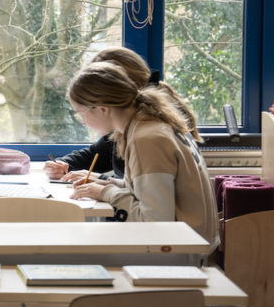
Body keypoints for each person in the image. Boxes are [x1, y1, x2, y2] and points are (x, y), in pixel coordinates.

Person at [67, 61, 218, 251]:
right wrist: (108, 184)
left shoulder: (146, 139)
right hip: (190, 241)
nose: (83, 122)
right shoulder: (147, 124)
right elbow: (150, 191)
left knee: (78, 248)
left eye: (80, 113)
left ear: (102, 108)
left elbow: (153, 221)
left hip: (181, 250)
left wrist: (106, 193)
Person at [45, 46, 200, 182]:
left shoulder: (148, 130)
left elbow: (150, 199)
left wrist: (102, 182)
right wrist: (62, 164)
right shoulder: (134, 118)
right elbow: (99, 154)